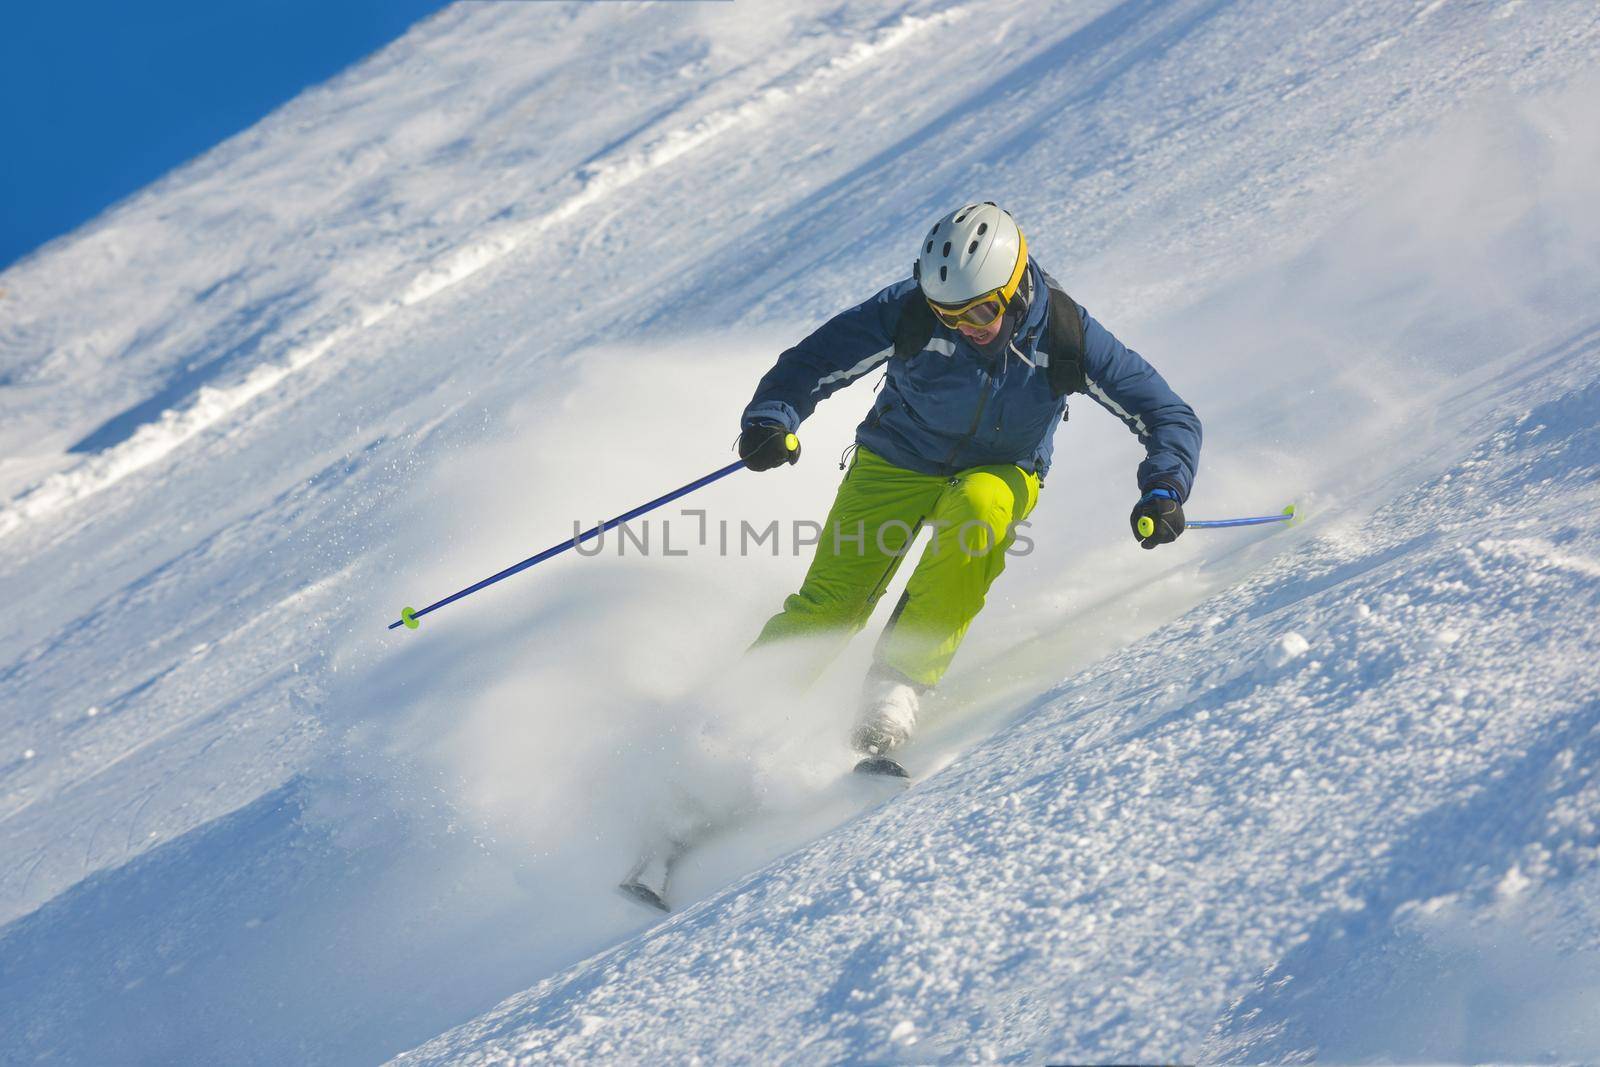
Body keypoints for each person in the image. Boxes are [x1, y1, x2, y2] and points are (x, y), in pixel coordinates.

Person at [736, 203, 1200, 761]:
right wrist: (771, 419)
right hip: (897, 457)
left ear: (1016, 289)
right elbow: (812, 361)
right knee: (832, 603)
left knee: (979, 510)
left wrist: (1165, 489)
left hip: (1004, 468)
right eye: (948, 314)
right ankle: (736, 721)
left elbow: (1167, 414)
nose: (965, 328)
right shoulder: (909, 312)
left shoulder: (1066, 336)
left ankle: (897, 686)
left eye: (980, 312)